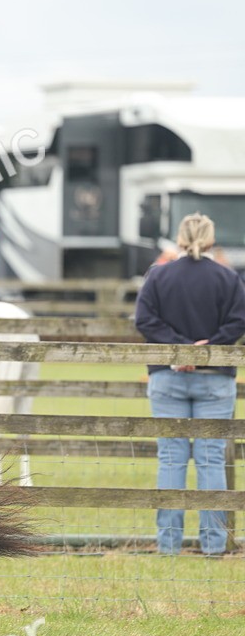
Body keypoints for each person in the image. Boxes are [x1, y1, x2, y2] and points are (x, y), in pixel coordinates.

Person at [135, 213, 245, 556]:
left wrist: (178, 348)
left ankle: (168, 545)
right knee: (212, 460)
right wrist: (207, 349)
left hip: (169, 376)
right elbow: (239, 320)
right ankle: (213, 546)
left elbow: (144, 318)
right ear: (211, 239)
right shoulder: (228, 278)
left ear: (179, 239)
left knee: (171, 459)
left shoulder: (158, 276)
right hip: (214, 380)